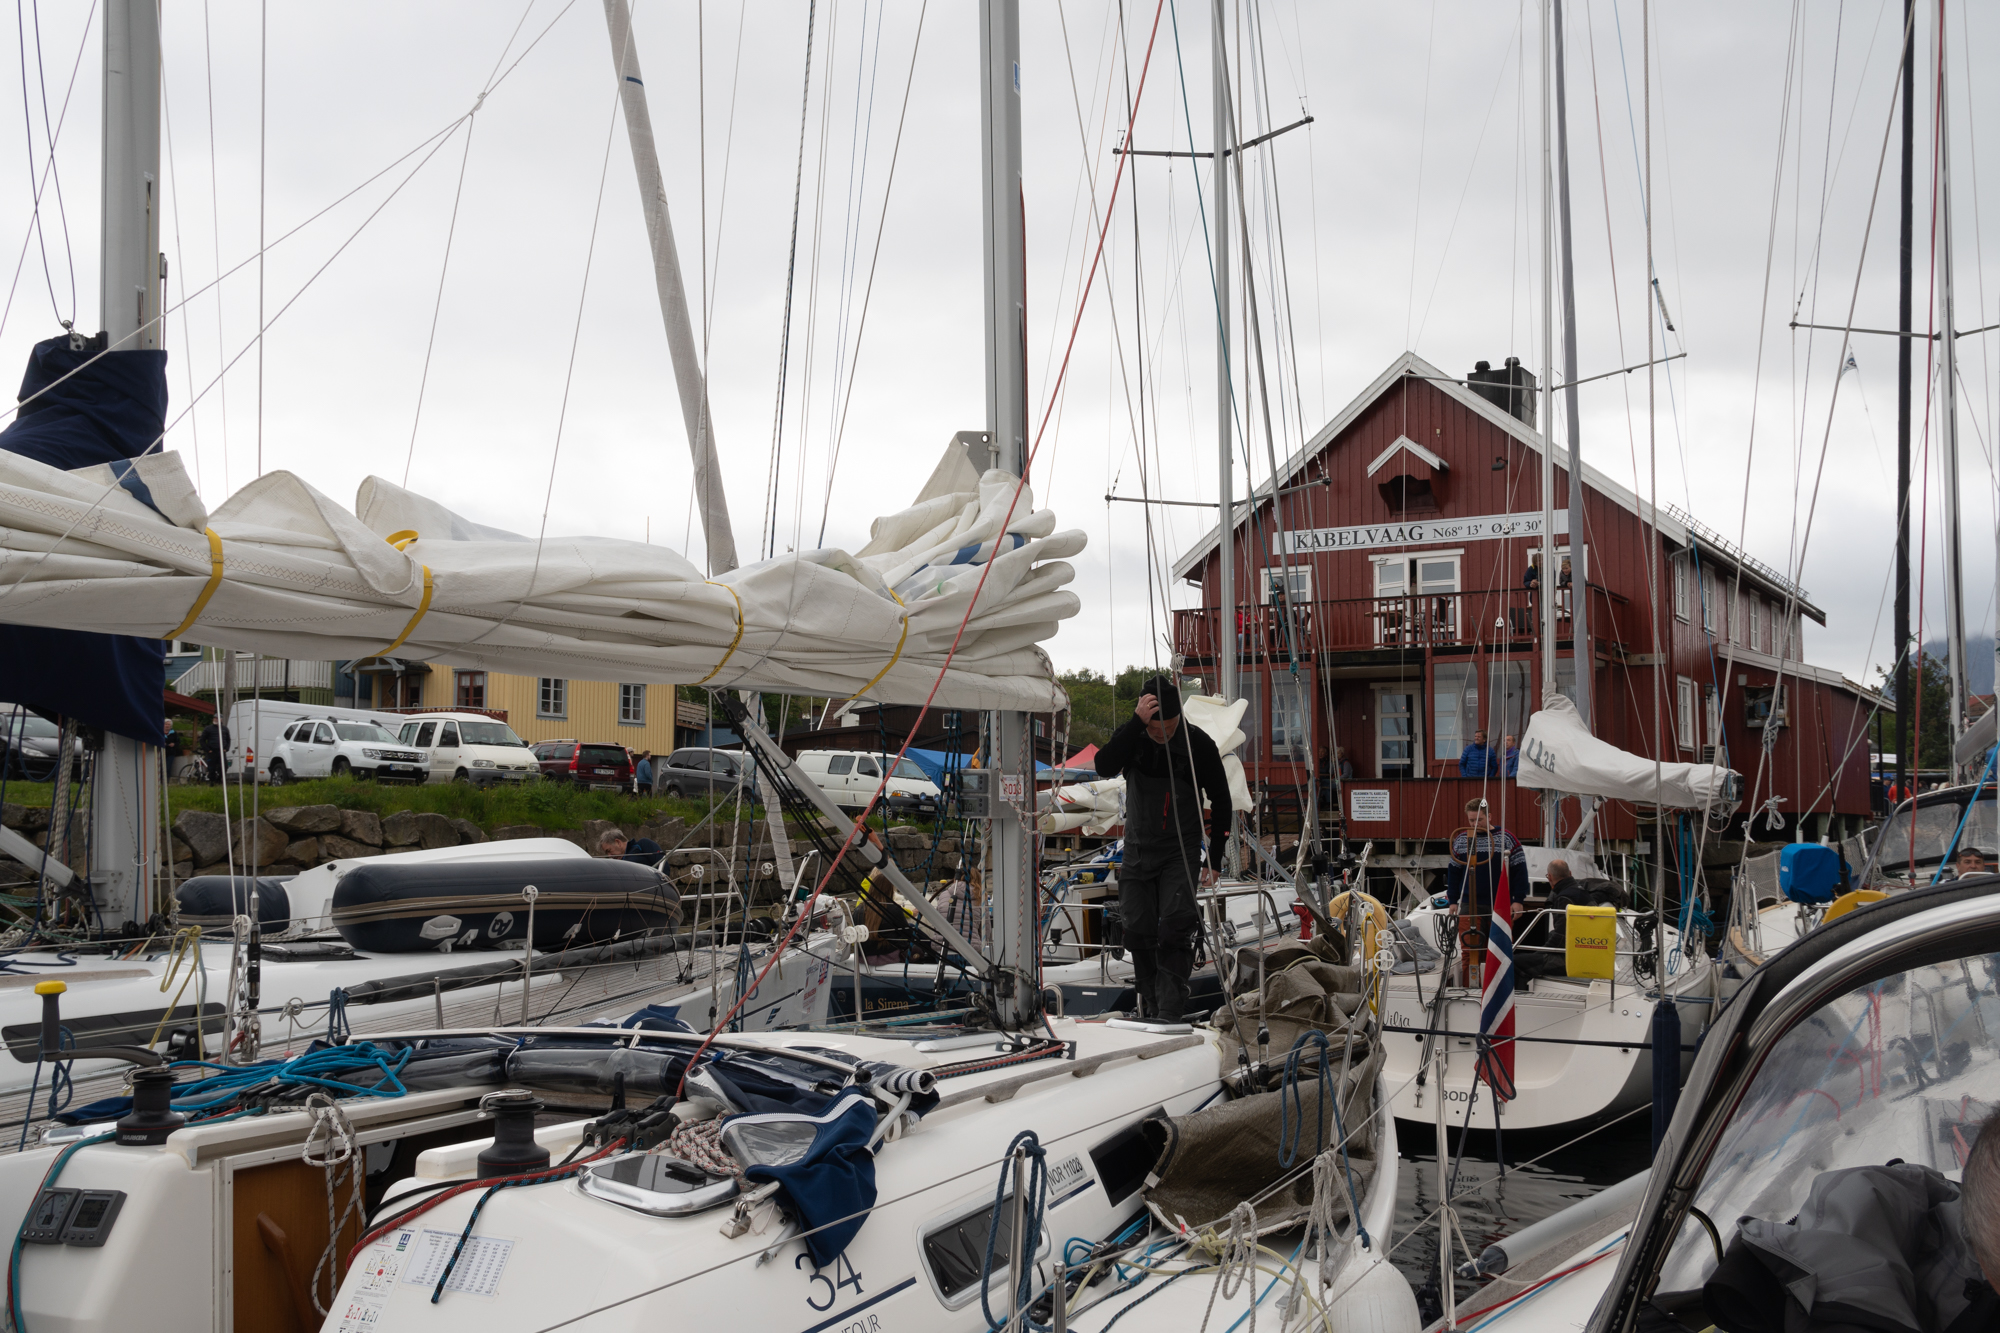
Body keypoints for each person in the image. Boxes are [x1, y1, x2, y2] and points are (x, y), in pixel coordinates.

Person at [1096, 674, 1233, 1022]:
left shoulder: (1198, 745)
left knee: (1175, 928)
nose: (1162, 733)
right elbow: (1104, 765)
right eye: (1155, 727)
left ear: (1179, 719)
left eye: (1169, 726)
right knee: (1138, 930)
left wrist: (1213, 859)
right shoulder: (1134, 739)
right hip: (1139, 847)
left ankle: (1170, 1011)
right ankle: (1151, 1004)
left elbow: (1222, 800)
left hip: (1180, 849)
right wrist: (1135, 724)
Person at [1443, 797, 1529, 987]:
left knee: (1500, 951)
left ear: (1489, 816)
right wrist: (1453, 901)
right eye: (1471, 821)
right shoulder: (1461, 840)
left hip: (1498, 904)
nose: (1475, 824)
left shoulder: (1506, 838)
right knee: (1469, 952)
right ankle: (1470, 990)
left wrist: (1518, 900)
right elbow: (1454, 873)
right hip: (1468, 904)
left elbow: (1519, 870)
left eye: (1479, 820)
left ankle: (1500, 990)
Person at [598, 829, 663, 866]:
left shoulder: (642, 844)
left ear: (618, 842)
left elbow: (662, 863)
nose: (609, 856)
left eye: (609, 850)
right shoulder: (616, 864)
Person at [197, 719, 230, 785]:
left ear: (221, 719)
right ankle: (212, 782)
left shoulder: (225, 729)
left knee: (224, 767)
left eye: (217, 718)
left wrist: (226, 748)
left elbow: (228, 740)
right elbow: (202, 740)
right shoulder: (208, 729)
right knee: (211, 768)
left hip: (221, 751)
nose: (216, 719)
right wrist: (207, 749)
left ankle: (219, 781)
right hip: (212, 752)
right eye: (215, 718)